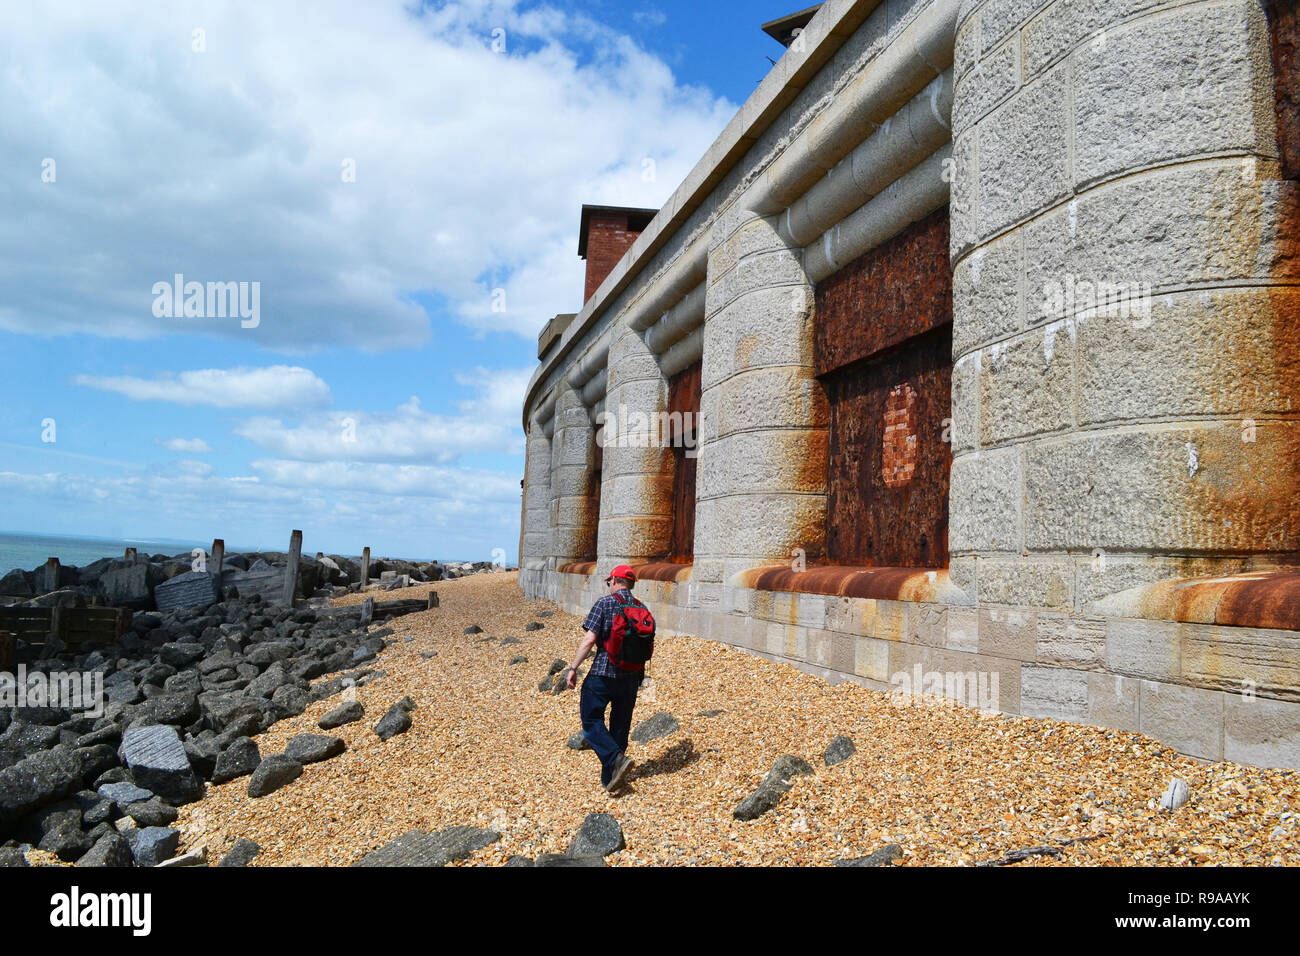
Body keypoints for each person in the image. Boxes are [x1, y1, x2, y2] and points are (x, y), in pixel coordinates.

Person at [565, 564, 649, 792]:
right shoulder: (641, 607)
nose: (608, 585)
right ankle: (611, 779)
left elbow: (589, 640)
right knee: (620, 726)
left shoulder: (604, 603)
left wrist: (573, 668)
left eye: (609, 581)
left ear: (614, 581)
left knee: (591, 721)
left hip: (603, 672)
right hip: (631, 676)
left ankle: (615, 760)